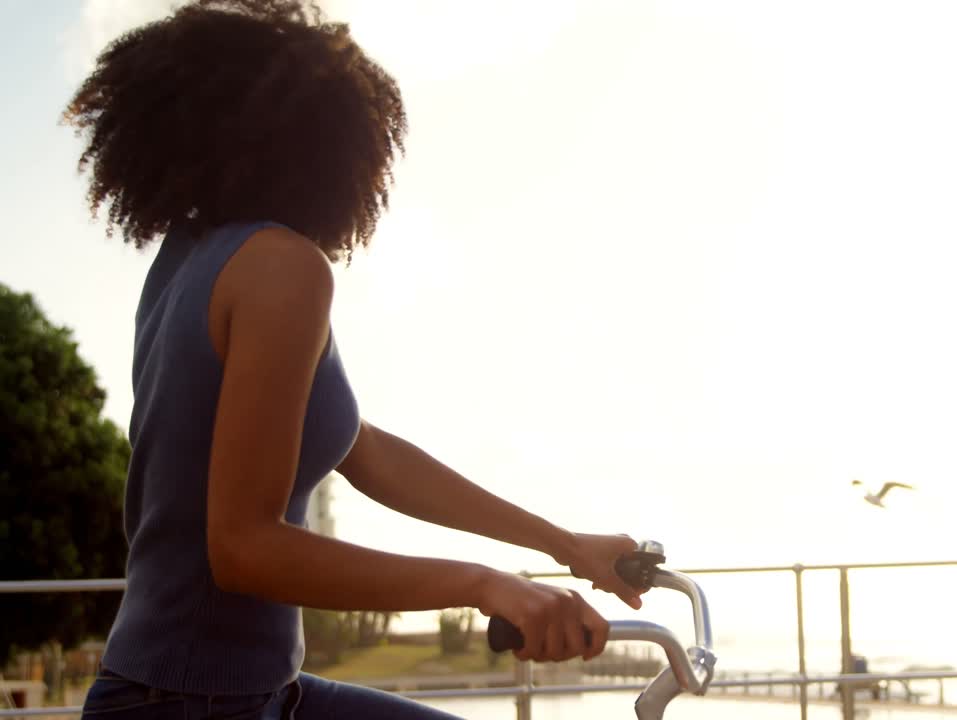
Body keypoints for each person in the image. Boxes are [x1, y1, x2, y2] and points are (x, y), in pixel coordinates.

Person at [62, 1, 641, 717]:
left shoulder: (192, 258)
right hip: (190, 705)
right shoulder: (283, 269)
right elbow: (242, 547)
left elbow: (362, 450)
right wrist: (483, 583)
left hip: (253, 692)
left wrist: (563, 545)